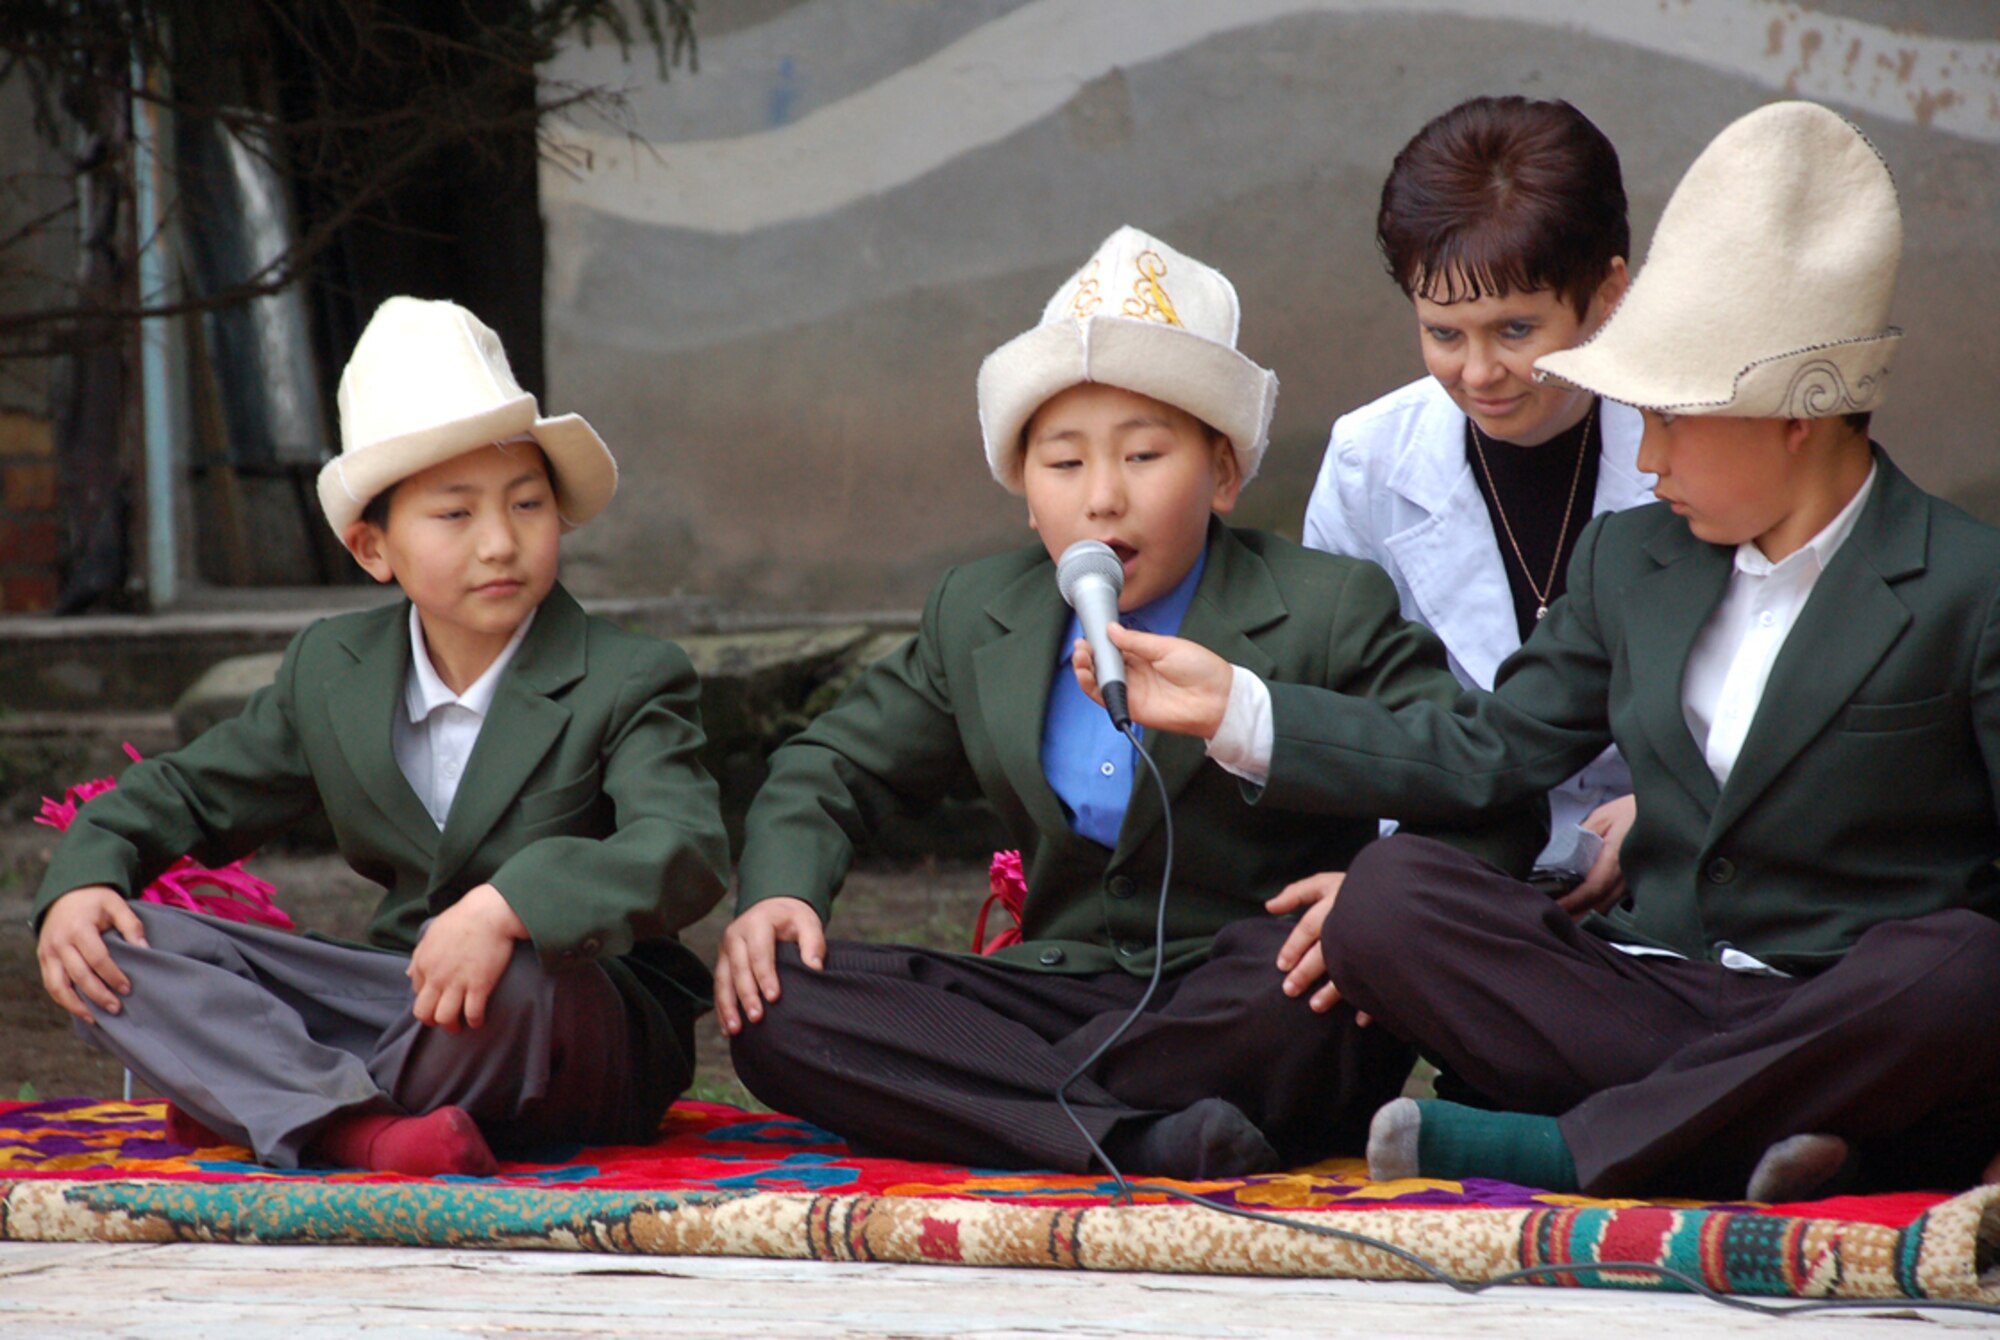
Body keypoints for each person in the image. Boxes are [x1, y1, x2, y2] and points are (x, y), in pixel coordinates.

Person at [1082, 102, 2000, 1201]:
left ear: (1787, 418)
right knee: (1387, 898)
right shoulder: (1633, 556)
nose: (1644, 450)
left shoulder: (1963, 583)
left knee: (1959, 969)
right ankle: (1808, 1133)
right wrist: (1238, 705)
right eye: (1444, 333)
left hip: (1843, 999)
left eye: (1669, 419)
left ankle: (1573, 1147)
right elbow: (1484, 750)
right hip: (1630, 984)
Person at [714, 225, 1542, 1180]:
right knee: (778, 1007)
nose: (1102, 500)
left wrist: (1377, 909)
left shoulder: (1323, 606)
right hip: (1055, 992)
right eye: (1064, 465)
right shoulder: (983, 613)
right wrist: (780, 890)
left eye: (1144, 456)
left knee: (1311, 1018)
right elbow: (830, 766)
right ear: (1027, 496)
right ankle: (1148, 1138)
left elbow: (1487, 785)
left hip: (1248, 992)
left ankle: (1017, 1114)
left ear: (1224, 474)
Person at [33, 297, 730, 1175]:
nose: (500, 543)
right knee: (117, 946)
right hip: (398, 997)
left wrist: (508, 906)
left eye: (527, 504)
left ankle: (276, 1102)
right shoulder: (333, 669)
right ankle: (360, 1128)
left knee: (517, 979)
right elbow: (188, 794)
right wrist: (82, 879)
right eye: (455, 514)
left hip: (568, 1018)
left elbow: (685, 847)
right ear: (373, 548)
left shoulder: (628, 675)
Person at [1303, 95, 1649, 910]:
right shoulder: (1368, 459)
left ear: (1608, 292)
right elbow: (1341, 703)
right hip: (1463, 859)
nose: (1480, 372)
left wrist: (1673, 812)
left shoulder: (1699, 437)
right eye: (1444, 334)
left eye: (1517, 330)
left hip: (1686, 862)